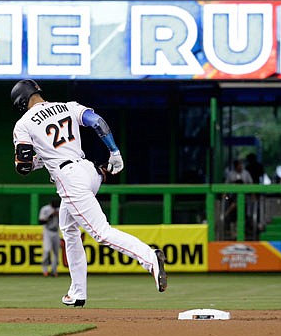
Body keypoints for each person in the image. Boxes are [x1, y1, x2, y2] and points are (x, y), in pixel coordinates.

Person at [11, 79, 167, 307]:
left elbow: (23, 165)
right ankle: (77, 292)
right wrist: (114, 152)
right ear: (38, 92)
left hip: (69, 178)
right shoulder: (68, 106)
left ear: (21, 102)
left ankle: (150, 258)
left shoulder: (23, 123)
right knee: (69, 230)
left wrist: (33, 161)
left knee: (101, 233)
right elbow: (98, 122)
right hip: (88, 169)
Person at [39, 199, 61, 277]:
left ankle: (54, 271)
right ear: (51, 204)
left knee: (56, 252)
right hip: (47, 231)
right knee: (47, 250)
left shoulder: (59, 209)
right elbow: (41, 221)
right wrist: (51, 215)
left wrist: (58, 215)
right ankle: (45, 270)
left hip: (56, 231)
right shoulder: (45, 209)